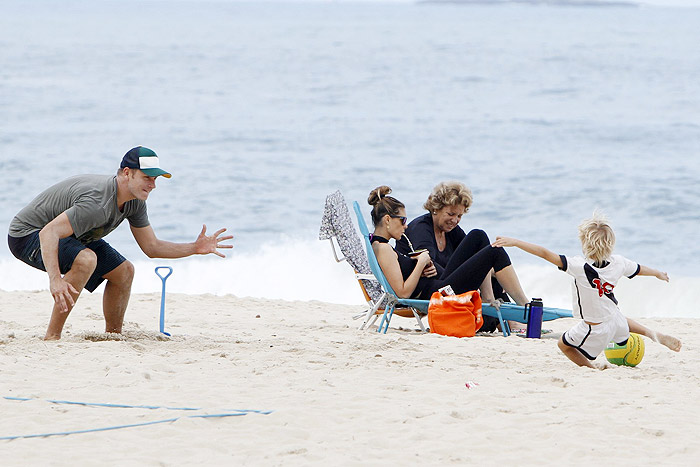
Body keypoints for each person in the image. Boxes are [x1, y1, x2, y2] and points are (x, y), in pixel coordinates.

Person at [7, 146, 233, 340]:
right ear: (127, 173)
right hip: (27, 235)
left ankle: (112, 336)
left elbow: (152, 247)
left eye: (155, 179)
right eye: (147, 177)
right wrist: (55, 280)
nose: (153, 184)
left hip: (71, 236)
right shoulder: (96, 201)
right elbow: (49, 233)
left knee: (124, 271)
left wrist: (194, 248)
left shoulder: (134, 202)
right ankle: (52, 337)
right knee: (86, 260)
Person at [492, 212, 682, 368]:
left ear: (584, 242)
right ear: (610, 243)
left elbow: (544, 253)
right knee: (619, 316)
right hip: (615, 320)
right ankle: (652, 334)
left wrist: (516, 242)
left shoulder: (578, 265)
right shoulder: (619, 262)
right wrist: (658, 273)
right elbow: (640, 269)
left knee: (564, 345)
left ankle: (593, 370)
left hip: (594, 327)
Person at [367, 186, 529, 311]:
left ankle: (497, 301)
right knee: (495, 251)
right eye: (402, 220)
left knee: (478, 237)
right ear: (388, 219)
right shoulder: (383, 248)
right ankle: (524, 306)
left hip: (438, 286)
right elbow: (402, 294)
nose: (406, 225)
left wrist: (416, 261)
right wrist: (421, 262)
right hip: (438, 294)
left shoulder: (380, 246)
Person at [395, 181, 513, 331]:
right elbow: (428, 266)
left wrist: (487, 271)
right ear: (436, 208)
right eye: (451, 214)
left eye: (459, 216)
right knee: (480, 238)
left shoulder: (450, 231)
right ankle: (498, 307)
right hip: (432, 292)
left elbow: (473, 256)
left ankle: (505, 318)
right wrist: (471, 271)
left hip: (445, 284)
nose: (455, 220)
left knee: (487, 257)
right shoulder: (421, 229)